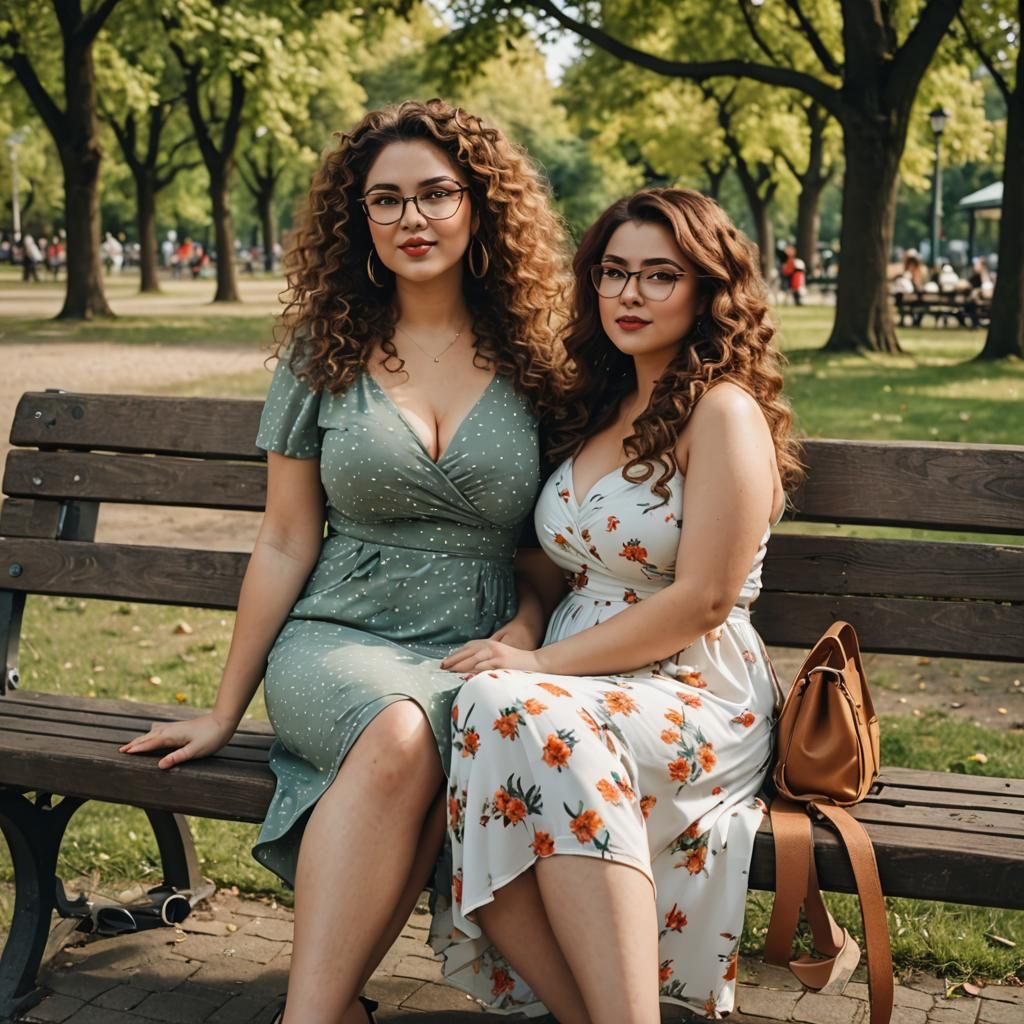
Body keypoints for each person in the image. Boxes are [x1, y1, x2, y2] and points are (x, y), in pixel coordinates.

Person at [119, 99, 570, 1024]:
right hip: (338, 639)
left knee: (418, 741)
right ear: (356, 219)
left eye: (437, 194)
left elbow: (548, 546)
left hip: (478, 648)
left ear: (478, 204)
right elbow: (286, 539)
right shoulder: (322, 351)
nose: (414, 219)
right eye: (387, 200)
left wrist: (523, 633)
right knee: (402, 734)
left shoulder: (540, 358)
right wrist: (222, 711)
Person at [434, 187, 803, 1024]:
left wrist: (537, 666)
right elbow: (548, 567)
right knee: (486, 712)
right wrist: (525, 631)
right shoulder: (594, 405)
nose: (629, 295)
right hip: (569, 680)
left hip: (693, 688)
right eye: (613, 273)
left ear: (709, 292)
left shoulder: (724, 413)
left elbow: (704, 599)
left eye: (660, 276)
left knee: (513, 711)